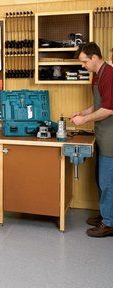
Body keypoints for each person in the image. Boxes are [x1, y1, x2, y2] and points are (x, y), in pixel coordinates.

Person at [71, 42, 113, 237]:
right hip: (102, 134)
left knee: (108, 182)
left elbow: (108, 109)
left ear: (94, 57)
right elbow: (99, 103)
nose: (83, 66)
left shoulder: (110, 75)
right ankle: (106, 215)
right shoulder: (97, 75)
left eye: (84, 62)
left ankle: (109, 222)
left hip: (111, 137)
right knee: (99, 178)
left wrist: (84, 120)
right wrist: (84, 111)